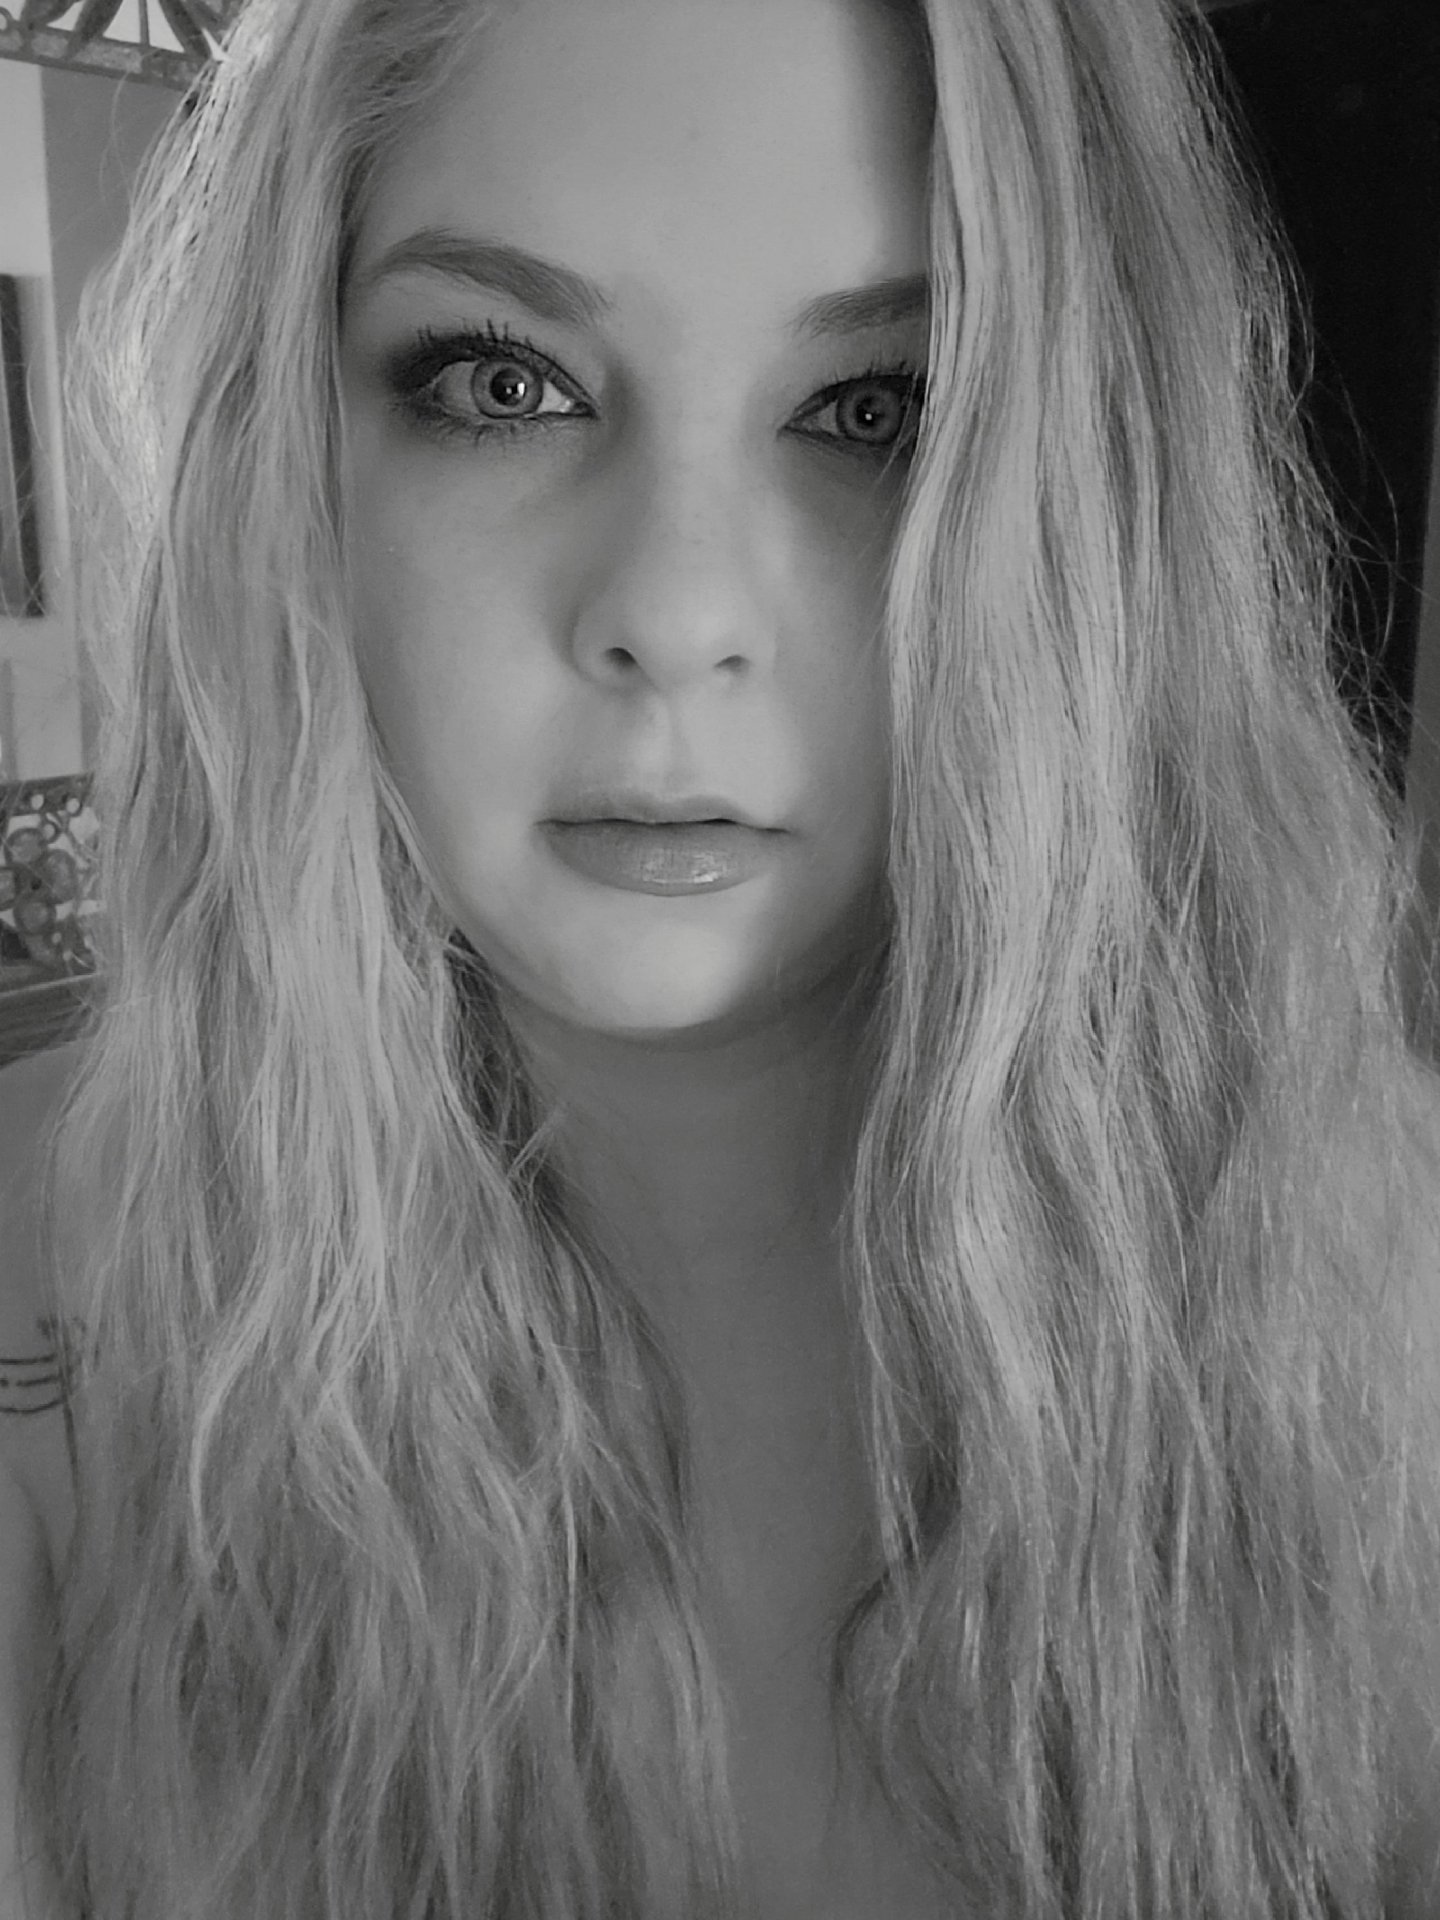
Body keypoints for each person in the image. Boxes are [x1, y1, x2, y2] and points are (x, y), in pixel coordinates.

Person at [1, 0, 1438, 1912]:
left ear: (1101, 506)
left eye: (879, 409)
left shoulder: (1388, 1310)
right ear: (293, 458)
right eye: (503, 382)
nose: (674, 613)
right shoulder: (49, 1288)